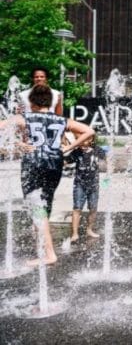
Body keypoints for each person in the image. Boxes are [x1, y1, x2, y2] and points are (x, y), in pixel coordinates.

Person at [0, 85, 94, 266]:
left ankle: (49, 255)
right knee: (44, 204)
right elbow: (89, 131)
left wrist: (18, 143)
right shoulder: (60, 120)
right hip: (55, 163)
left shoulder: (24, 117)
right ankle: (41, 247)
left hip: (34, 163)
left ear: (32, 102)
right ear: (50, 102)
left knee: (36, 205)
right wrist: (68, 147)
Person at [65, 135, 106, 242]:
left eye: (85, 140)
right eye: (81, 140)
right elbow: (65, 161)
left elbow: (107, 162)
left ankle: (89, 229)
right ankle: (74, 233)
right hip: (80, 184)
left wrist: (107, 181)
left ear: (91, 140)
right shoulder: (77, 151)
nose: (83, 142)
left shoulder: (97, 150)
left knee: (93, 209)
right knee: (77, 208)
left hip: (94, 184)